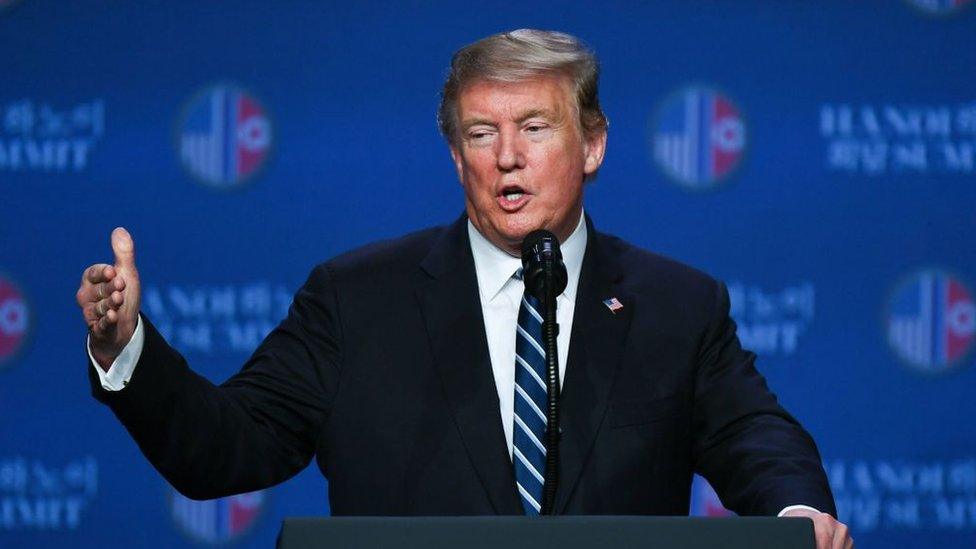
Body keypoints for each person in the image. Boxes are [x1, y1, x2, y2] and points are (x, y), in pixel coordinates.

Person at [77, 29, 852, 548]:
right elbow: (224, 446)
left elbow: (759, 439)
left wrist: (796, 517)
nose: (507, 156)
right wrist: (125, 350)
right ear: (456, 156)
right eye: (482, 133)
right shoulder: (356, 300)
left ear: (593, 144)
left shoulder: (676, 304)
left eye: (536, 127)